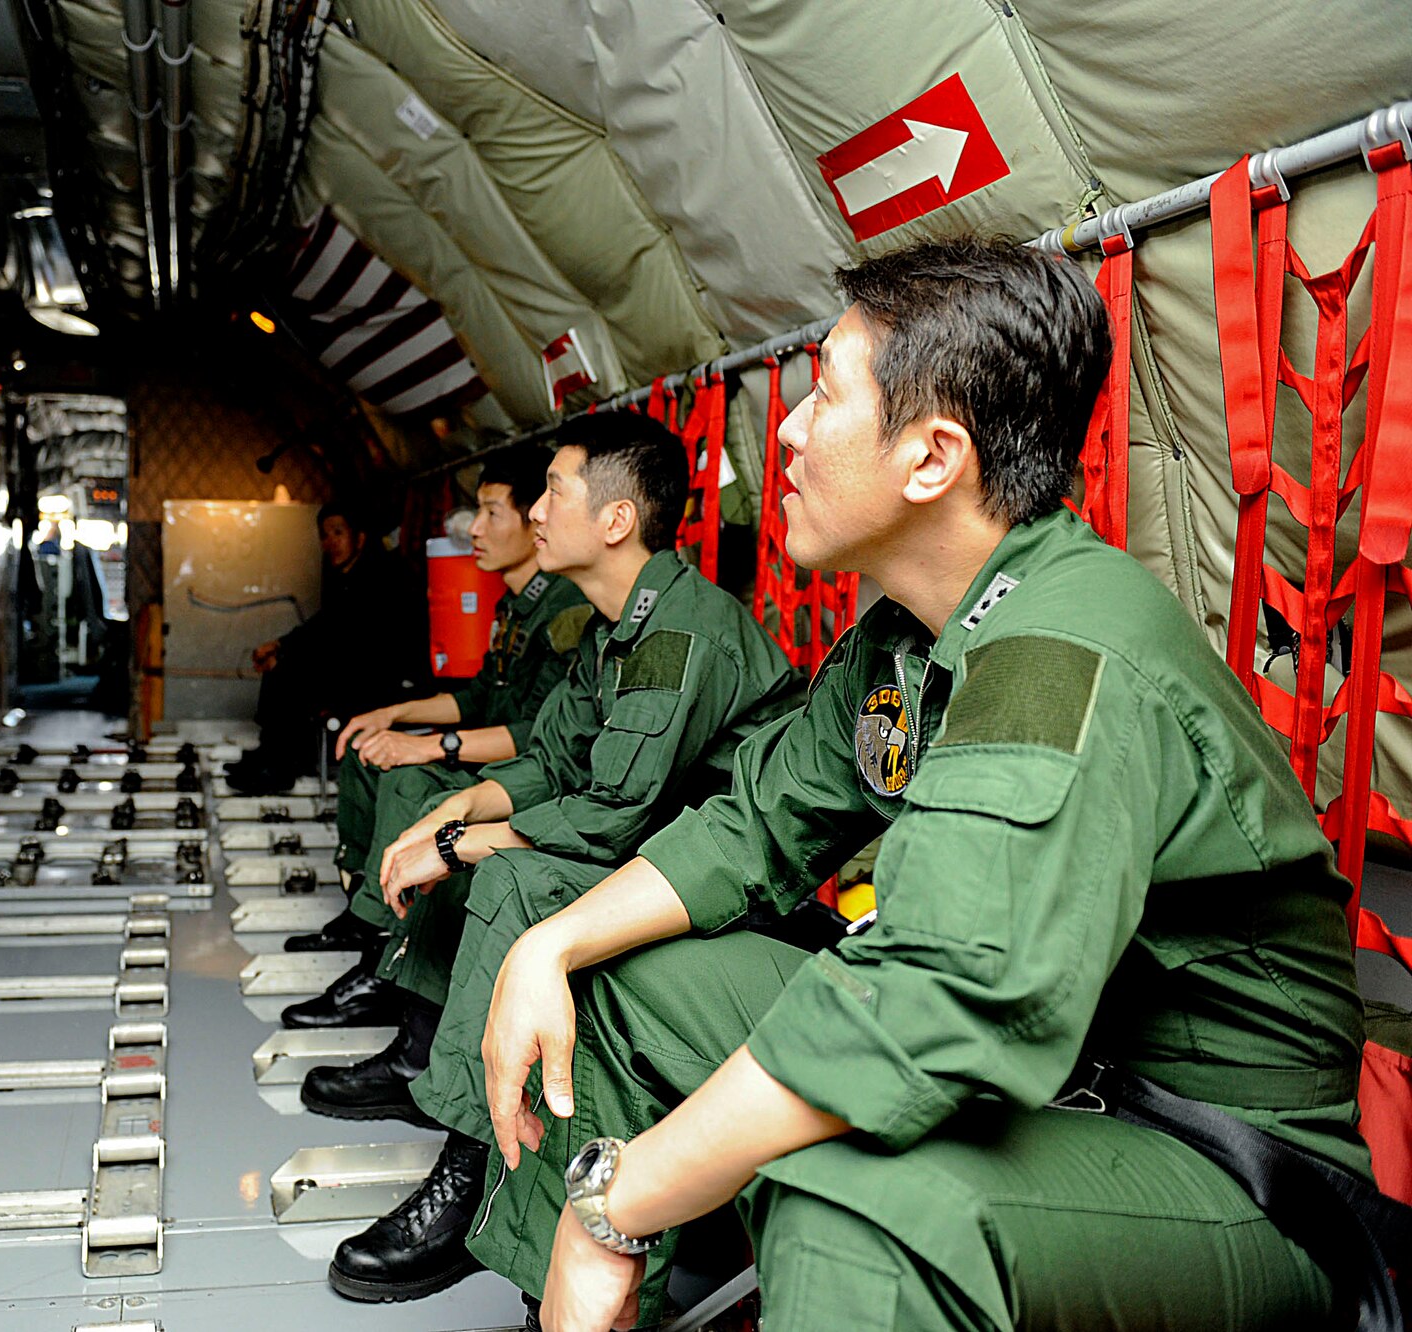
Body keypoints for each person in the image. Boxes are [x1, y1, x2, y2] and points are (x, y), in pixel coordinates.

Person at [447, 239, 1377, 1331]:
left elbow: (937, 996)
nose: (783, 432)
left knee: (851, 1210)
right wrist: (542, 945)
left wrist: (612, 1205)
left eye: (822, 396)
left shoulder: (1059, 652)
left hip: (1210, 1157)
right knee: (616, 978)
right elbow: (753, 824)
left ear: (931, 459)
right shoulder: (902, 636)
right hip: (1049, 1086)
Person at [315, 412, 806, 1304]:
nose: (537, 510)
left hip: (732, 895)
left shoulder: (679, 631)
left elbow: (613, 814)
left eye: (555, 491)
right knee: (470, 842)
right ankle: (436, 1065)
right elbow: (552, 760)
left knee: (512, 877)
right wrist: (451, 810)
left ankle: (473, 1174)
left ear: (615, 520)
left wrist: (464, 844)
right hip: (660, 864)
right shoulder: (613, 627)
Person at [276, 445, 590, 989]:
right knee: (370, 750)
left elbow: (538, 737)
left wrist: (429, 747)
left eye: (493, 514)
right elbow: (477, 700)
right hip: (499, 755)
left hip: (532, 777)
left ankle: (382, 952)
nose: (476, 530)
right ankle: (363, 905)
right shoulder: (514, 604)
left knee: (409, 780)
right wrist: (393, 715)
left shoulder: (564, 609)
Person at [225, 501, 428, 794]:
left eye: (338, 533)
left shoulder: (379, 579)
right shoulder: (348, 578)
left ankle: (279, 766)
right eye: (324, 535)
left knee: (289, 674)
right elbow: (323, 627)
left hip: (381, 679)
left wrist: (287, 656)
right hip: (355, 668)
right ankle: (270, 753)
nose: (329, 542)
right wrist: (279, 645)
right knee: (285, 669)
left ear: (359, 538)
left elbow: (349, 643)